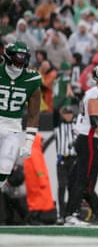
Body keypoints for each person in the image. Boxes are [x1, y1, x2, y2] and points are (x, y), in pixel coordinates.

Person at [64, 63, 98, 225]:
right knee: (84, 179)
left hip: (92, 139)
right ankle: (72, 214)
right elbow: (94, 120)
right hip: (90, 139)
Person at [0, 40, 41, 189]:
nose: (20, 61)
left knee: (5, 168)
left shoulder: (32, 79)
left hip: (13, 128)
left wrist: (29, 142)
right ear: (8, 56)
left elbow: (33, 114)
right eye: (17, 57)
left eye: (24, 57)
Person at [54, 105, 78, 224]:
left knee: (72, 188)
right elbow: (54, 110)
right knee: (62, 187)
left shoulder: (77, 125)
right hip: (62, 160)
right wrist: (64, 98)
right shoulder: (57, 126)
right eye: (66, 113)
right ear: (62, 114)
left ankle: (70, 214)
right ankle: (61, 214)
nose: (68, 115)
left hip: (74, 160)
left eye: (70, 113)